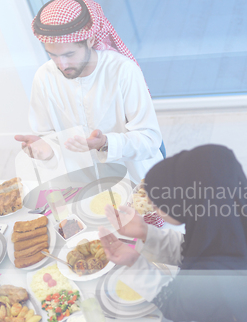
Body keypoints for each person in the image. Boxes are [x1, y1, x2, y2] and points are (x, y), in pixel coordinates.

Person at [99, 145, 247, 322]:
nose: (152, 209)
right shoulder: (234, 217)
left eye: (158, 205)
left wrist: (134, 262)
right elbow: (197, 250)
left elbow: (176, 304)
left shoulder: (216, 271)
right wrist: (146, 232)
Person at [14, 0, 163, 184]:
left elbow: (149, 141)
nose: (62, 65)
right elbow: (48, 138)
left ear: (91, 40)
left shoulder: (123, 71)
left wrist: (105, 143)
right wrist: (46, 151)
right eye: (52, 55)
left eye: (69, 55)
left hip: (134, 182)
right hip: (83, 186)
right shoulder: (44, 77)